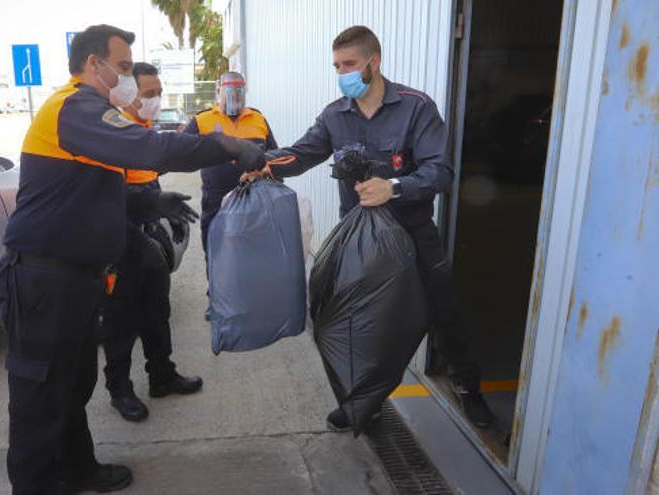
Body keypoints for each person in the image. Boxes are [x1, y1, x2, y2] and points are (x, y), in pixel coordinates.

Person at [0, 24, 265, 495]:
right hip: (43, 280)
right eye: (121, 67)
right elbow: (150, 146)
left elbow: (88, 194)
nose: (126, 78)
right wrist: (224, 144)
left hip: (76, 280)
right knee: (39, 398)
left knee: (73, 385)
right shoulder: (73, 107)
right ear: (92, 64)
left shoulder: (88, 114)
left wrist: (147, 205)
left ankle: (78, 469)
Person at [257, 25, 493, 430]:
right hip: (363, 241)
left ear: (373, 62)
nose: (342, 72)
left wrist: (395, 187)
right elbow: (300, 154)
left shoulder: (416, 108)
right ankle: (363, 400)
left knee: (444, 312)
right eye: (336, 65)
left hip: (415, 235)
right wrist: (259, 165)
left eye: (349, 64)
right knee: (360, 322)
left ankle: (468, 389)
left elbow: (440, 172)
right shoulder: (335, 115)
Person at [102, 62, 203, 423]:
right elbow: (107, 198)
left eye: (159, 92)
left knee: (157, 311)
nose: (155, 100)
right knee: (120, 320)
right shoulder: (112, 136)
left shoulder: (144, 130)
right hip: (118, 242)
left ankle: (162, 374)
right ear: (129, 94)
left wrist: (165, 213)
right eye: (149, 94)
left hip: (149, 236)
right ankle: (120, 389)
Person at [182, 72, 278, 320]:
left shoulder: (258, 119)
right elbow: (182, 150)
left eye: (239, 92)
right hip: (216, 199)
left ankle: (249, 297)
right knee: (216, 250)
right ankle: (216, 300)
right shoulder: (203, 121)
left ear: (245, 93)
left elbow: (275, 154)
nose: (234, 97)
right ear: (219, 92)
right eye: (229, 92)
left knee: (251, 249)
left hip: (253, 198)